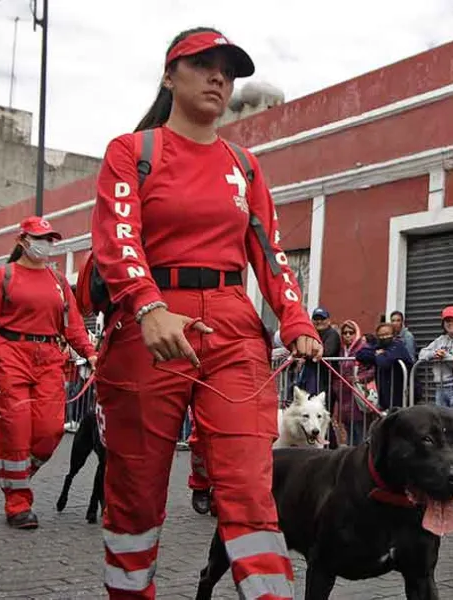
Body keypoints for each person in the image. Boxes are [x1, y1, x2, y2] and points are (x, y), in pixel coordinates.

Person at [89, 28, 322, 599]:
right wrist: (148, 307)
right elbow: (118, 240)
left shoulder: (244, 166)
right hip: (148, 332)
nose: (220, 77)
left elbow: (269, 252)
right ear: (170, 76)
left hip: (232, 328)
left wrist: (296, 319)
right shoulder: (133, 151)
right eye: (203, 64)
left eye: (229, 69)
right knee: (137, 492)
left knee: (249, 487)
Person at [0, 217, 98, 529]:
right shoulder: (3, 277)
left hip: (50, 359)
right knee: (16, 429)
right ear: (22, 240)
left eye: (50, 238)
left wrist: (91, 353)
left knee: (51, 431)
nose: (46, 244)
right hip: (11, 357)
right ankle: (18, 503)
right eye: (40, 237)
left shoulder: (60, 281)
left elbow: (74, 326)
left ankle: (18, 476)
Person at [417, 306, 453, 411]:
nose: (450, 323)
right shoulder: (440, 340)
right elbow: (422, 354)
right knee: (441, 421)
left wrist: (446, 356)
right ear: (443, 324)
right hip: (440, 388)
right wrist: (434, 353)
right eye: (447, 321)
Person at [354, 322, 414, 409]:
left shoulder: (398, 346)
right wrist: (376, 353)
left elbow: (384, 362)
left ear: (393, 335)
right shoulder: (378, 347)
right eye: (380, 335)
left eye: (386, 334)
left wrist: (379, 355)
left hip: (400, 392)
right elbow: (360, 354)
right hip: (384, 393)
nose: (384, 337)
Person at [296, 307, 342, 395]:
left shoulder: (332, 334)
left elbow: (328, 351)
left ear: (328, 320)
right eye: (316, 319)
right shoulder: (310, 333)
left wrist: (308, 354)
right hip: (310, 377)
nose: (319, 321)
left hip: (326, 379)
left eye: (322, 319)